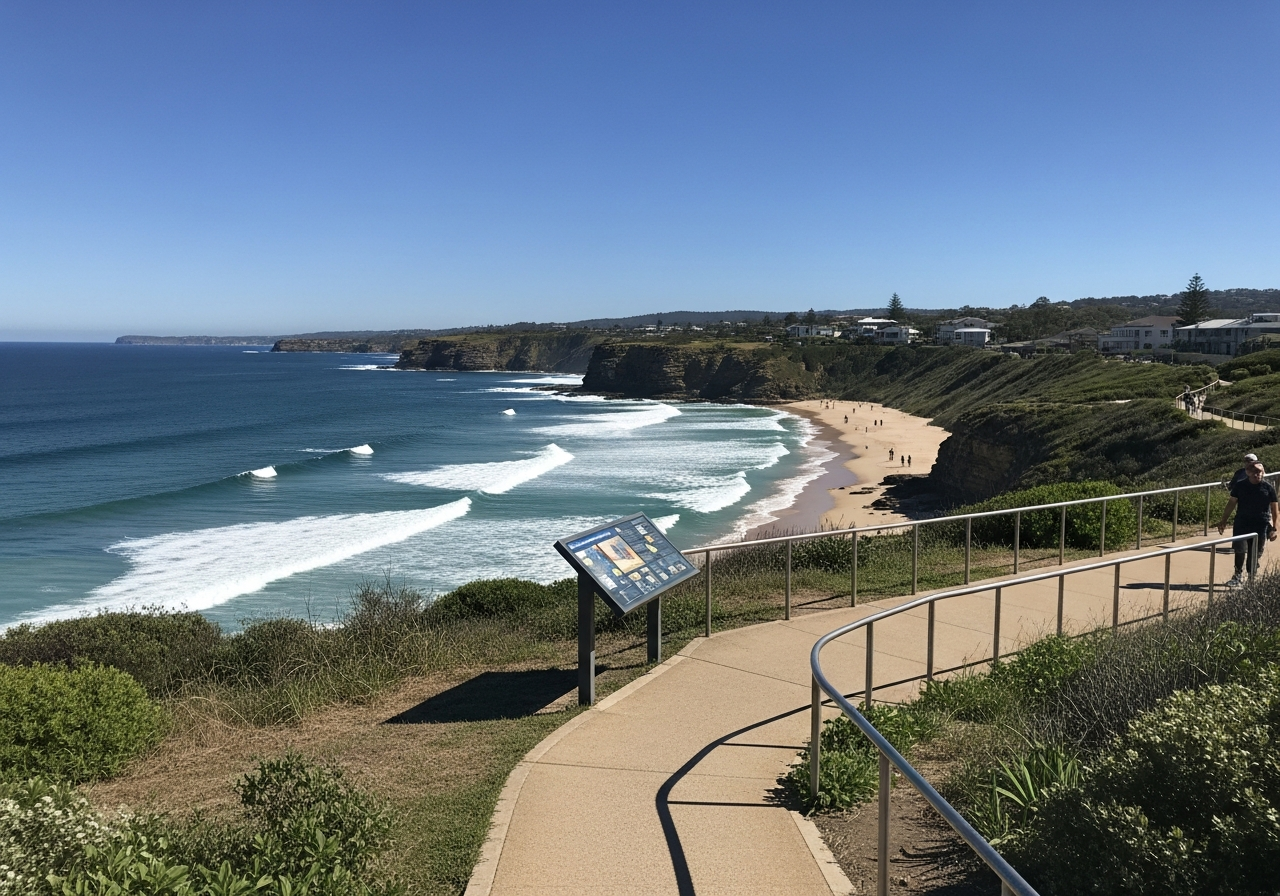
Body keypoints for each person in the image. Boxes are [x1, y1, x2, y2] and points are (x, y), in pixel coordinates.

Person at [1217, 462, 1279, 586]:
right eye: (1255, 472)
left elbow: (1274, 508)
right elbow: (1231, 503)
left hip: (1261, 525)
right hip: (1242, 523)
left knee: (1255, 553)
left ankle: (1251, 578)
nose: (1258, 474)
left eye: (1260, 472)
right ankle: (1237, 575)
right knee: (1239, 550)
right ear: (1248, 472)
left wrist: (1275, 528)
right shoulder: (1240, 486)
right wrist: (1223, 520)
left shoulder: (1268, 488)